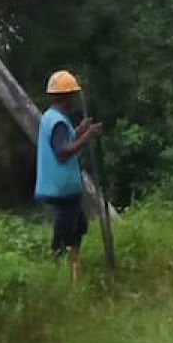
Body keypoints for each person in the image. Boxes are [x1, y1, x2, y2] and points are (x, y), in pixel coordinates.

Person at [35, 69, 101, 282]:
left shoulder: (53, 117)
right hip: (61, 188)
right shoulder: (58, 122)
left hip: (62, 187)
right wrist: (88, 136)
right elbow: (62, 152)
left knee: (77, 228)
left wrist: (80, 130)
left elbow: (65, 139)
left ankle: (74, 272)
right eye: (72, 95)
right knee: (65, 234)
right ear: (67, 97)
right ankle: (57, 275)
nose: (74, 99)